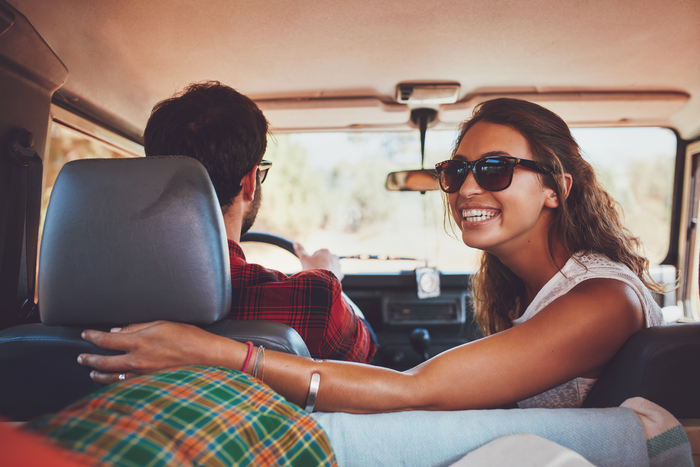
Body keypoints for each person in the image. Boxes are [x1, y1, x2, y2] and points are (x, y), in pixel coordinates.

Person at [78, 98, 664, 412]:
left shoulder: (603, 299)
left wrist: (222, 354)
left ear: (557, 189)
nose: (465, 189)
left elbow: (416, 390)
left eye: (494, 169)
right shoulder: (536, 294)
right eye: (456, 171)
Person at [141, 81, 375, 364]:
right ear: (250, 182)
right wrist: (330, 276)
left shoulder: (99, 291)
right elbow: (365, 354)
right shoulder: (315, 299)